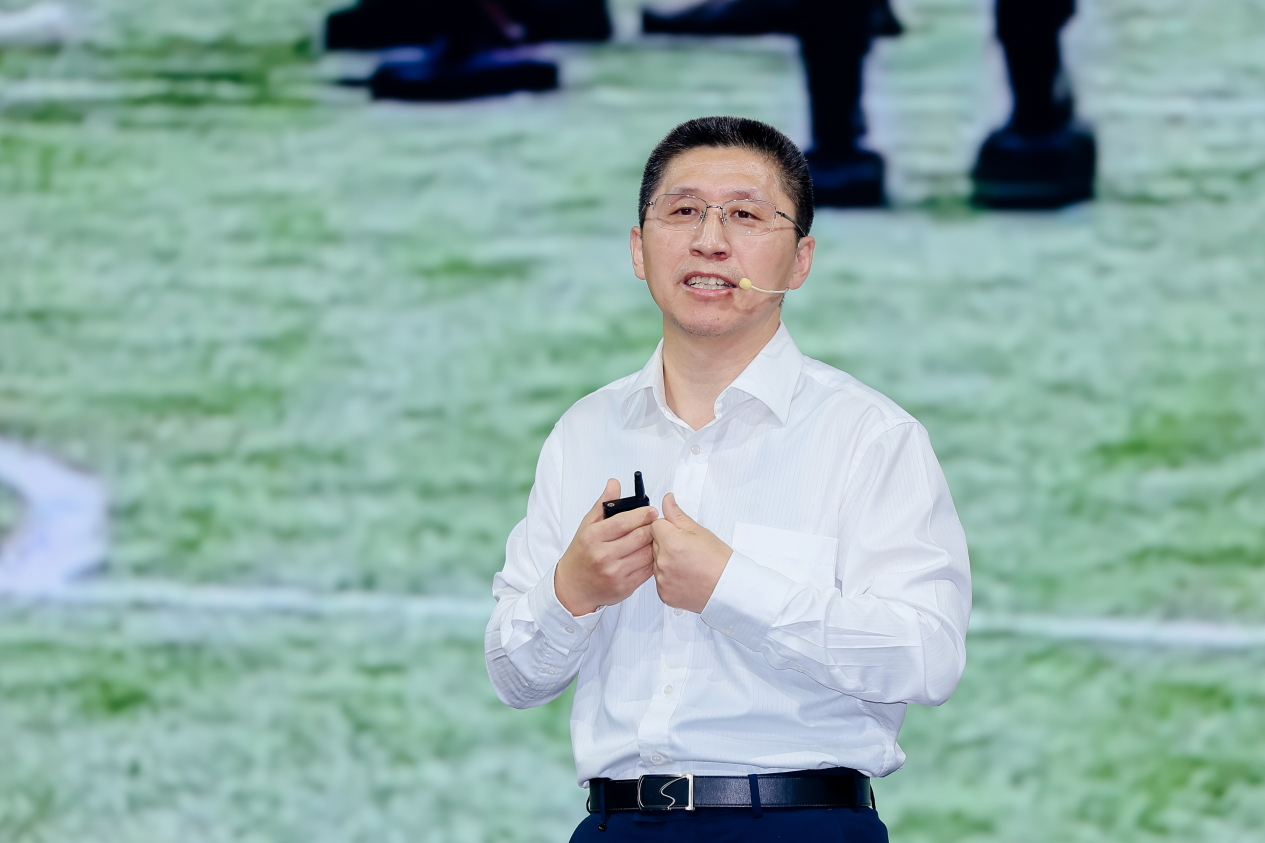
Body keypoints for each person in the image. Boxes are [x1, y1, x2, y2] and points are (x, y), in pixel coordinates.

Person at [485, 116, 972, 842]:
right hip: (617, 825)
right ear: (638, 248)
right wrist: (572, 590)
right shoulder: (584, 432)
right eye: (683, 211)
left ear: (800, 260)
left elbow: (927, 658)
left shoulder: (869, 435)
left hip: (799, 823)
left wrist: (731, 586)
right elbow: (514, 677)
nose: (710, 241)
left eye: (745, 215)